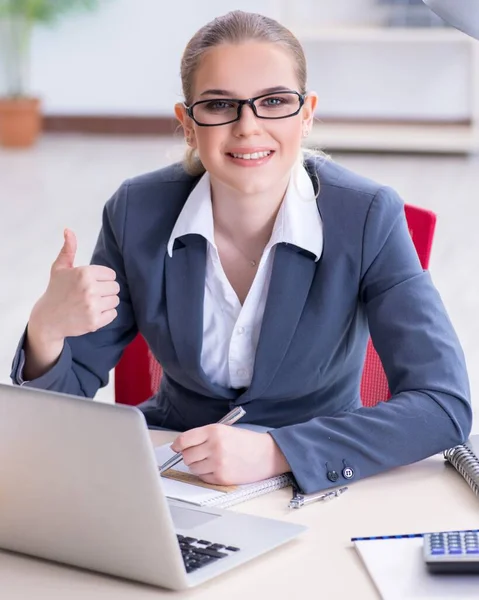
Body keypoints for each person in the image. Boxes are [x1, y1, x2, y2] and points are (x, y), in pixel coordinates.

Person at [11, 10, 472, 494]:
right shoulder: (136, 212)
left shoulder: (367, 217)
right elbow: (60, 406)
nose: (247, 126)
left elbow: (443, 405)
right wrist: (45, 331)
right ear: (188, 125)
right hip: (170, 475)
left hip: (318, 481)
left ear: (307, 113)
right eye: (219, 105)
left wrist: (277, 452)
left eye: (273, 101)